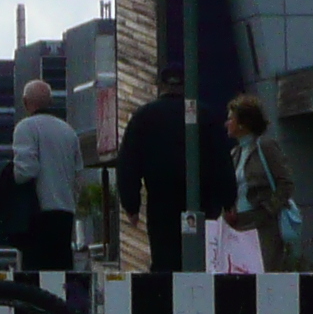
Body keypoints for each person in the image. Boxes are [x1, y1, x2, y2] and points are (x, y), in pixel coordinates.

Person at [114, 88, 233, 272]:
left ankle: (166, 298)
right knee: (204, 260)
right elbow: (222, 160)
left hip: (162, 202)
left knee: (166, 261)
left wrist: (131, 204)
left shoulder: (144, 116)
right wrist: (228, 200)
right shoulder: (205, 114)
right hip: (204, 202)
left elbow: (128, 163)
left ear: (161, 86)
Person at [9, 79, 82, 272]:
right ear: (50, 102)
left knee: (35, 278)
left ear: (25, 102)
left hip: (38, 213)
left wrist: (7, 178)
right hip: (65, 212)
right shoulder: (68, 131)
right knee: (62, 274)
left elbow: (26, 171)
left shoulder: (26, 128)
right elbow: (78, 175)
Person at [218, 94, 295, 273]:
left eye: (230, 119)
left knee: (264, 273)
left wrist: (268, 210)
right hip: (238, 224)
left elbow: (286, 183)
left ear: (243, 123)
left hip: (262, 224)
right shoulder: (235, 153)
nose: (226, 123)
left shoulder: (266, 147)